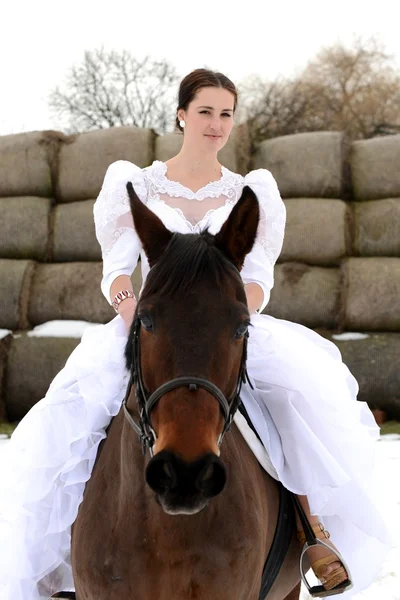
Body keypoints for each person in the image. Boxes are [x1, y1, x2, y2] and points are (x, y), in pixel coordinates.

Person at [0, 68, 393, 600]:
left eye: (226, 113)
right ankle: (61, 559)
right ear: (181, 114)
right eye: (205, 111)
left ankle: (312, 534)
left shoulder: (251, 193)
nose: (216, 124)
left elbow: (256, 280)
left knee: (291, 405)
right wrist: (128, 308)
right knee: (72, 415)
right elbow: (115, 271)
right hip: (148, 323)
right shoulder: (133, 184)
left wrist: (230, 317)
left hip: (224, 327)